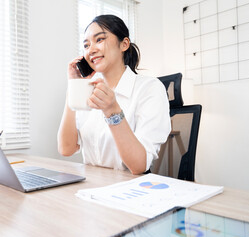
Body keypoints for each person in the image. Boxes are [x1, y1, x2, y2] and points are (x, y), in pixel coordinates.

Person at [57, 15, 171, 175]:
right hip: (92, 184)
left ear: (124, 44)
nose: (91, 50)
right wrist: (73, 87)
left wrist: (112, 111)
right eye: (86, 45)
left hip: (130, 188)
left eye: (100, 40)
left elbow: (139, 166)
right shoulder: (88, 89)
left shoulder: (150, 89)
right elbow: (66, 148)